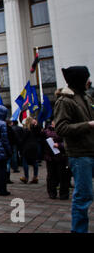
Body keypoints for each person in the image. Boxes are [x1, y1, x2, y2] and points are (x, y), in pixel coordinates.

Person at [54, 66, 94, 233]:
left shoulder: (86, 97)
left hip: (90, 150)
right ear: (79, 80)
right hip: (80, 155)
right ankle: (78, 230)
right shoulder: (65, 101)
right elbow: (61, 128)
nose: (89, 81)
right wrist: (88, 125)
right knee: (83, 196)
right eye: (86, 78)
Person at [43, 120, 71, 200]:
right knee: (51, 176)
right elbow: (38, 135)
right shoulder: (46, 130)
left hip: (62, 157)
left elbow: (69, 142)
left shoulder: (64, 130)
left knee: (63, 176)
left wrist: (59, 145)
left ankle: (64, 194)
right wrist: (34, 126)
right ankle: (52, 193)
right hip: (50, 157)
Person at [19, 117, 41, 184]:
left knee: (25, 161)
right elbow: (39, 133)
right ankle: (35, 177)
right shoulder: (35, 128)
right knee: (34, 162)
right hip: (35, 146)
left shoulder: (25, 130)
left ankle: (26, 177)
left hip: (27, 147)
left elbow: (22, 139)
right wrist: (36, 125)